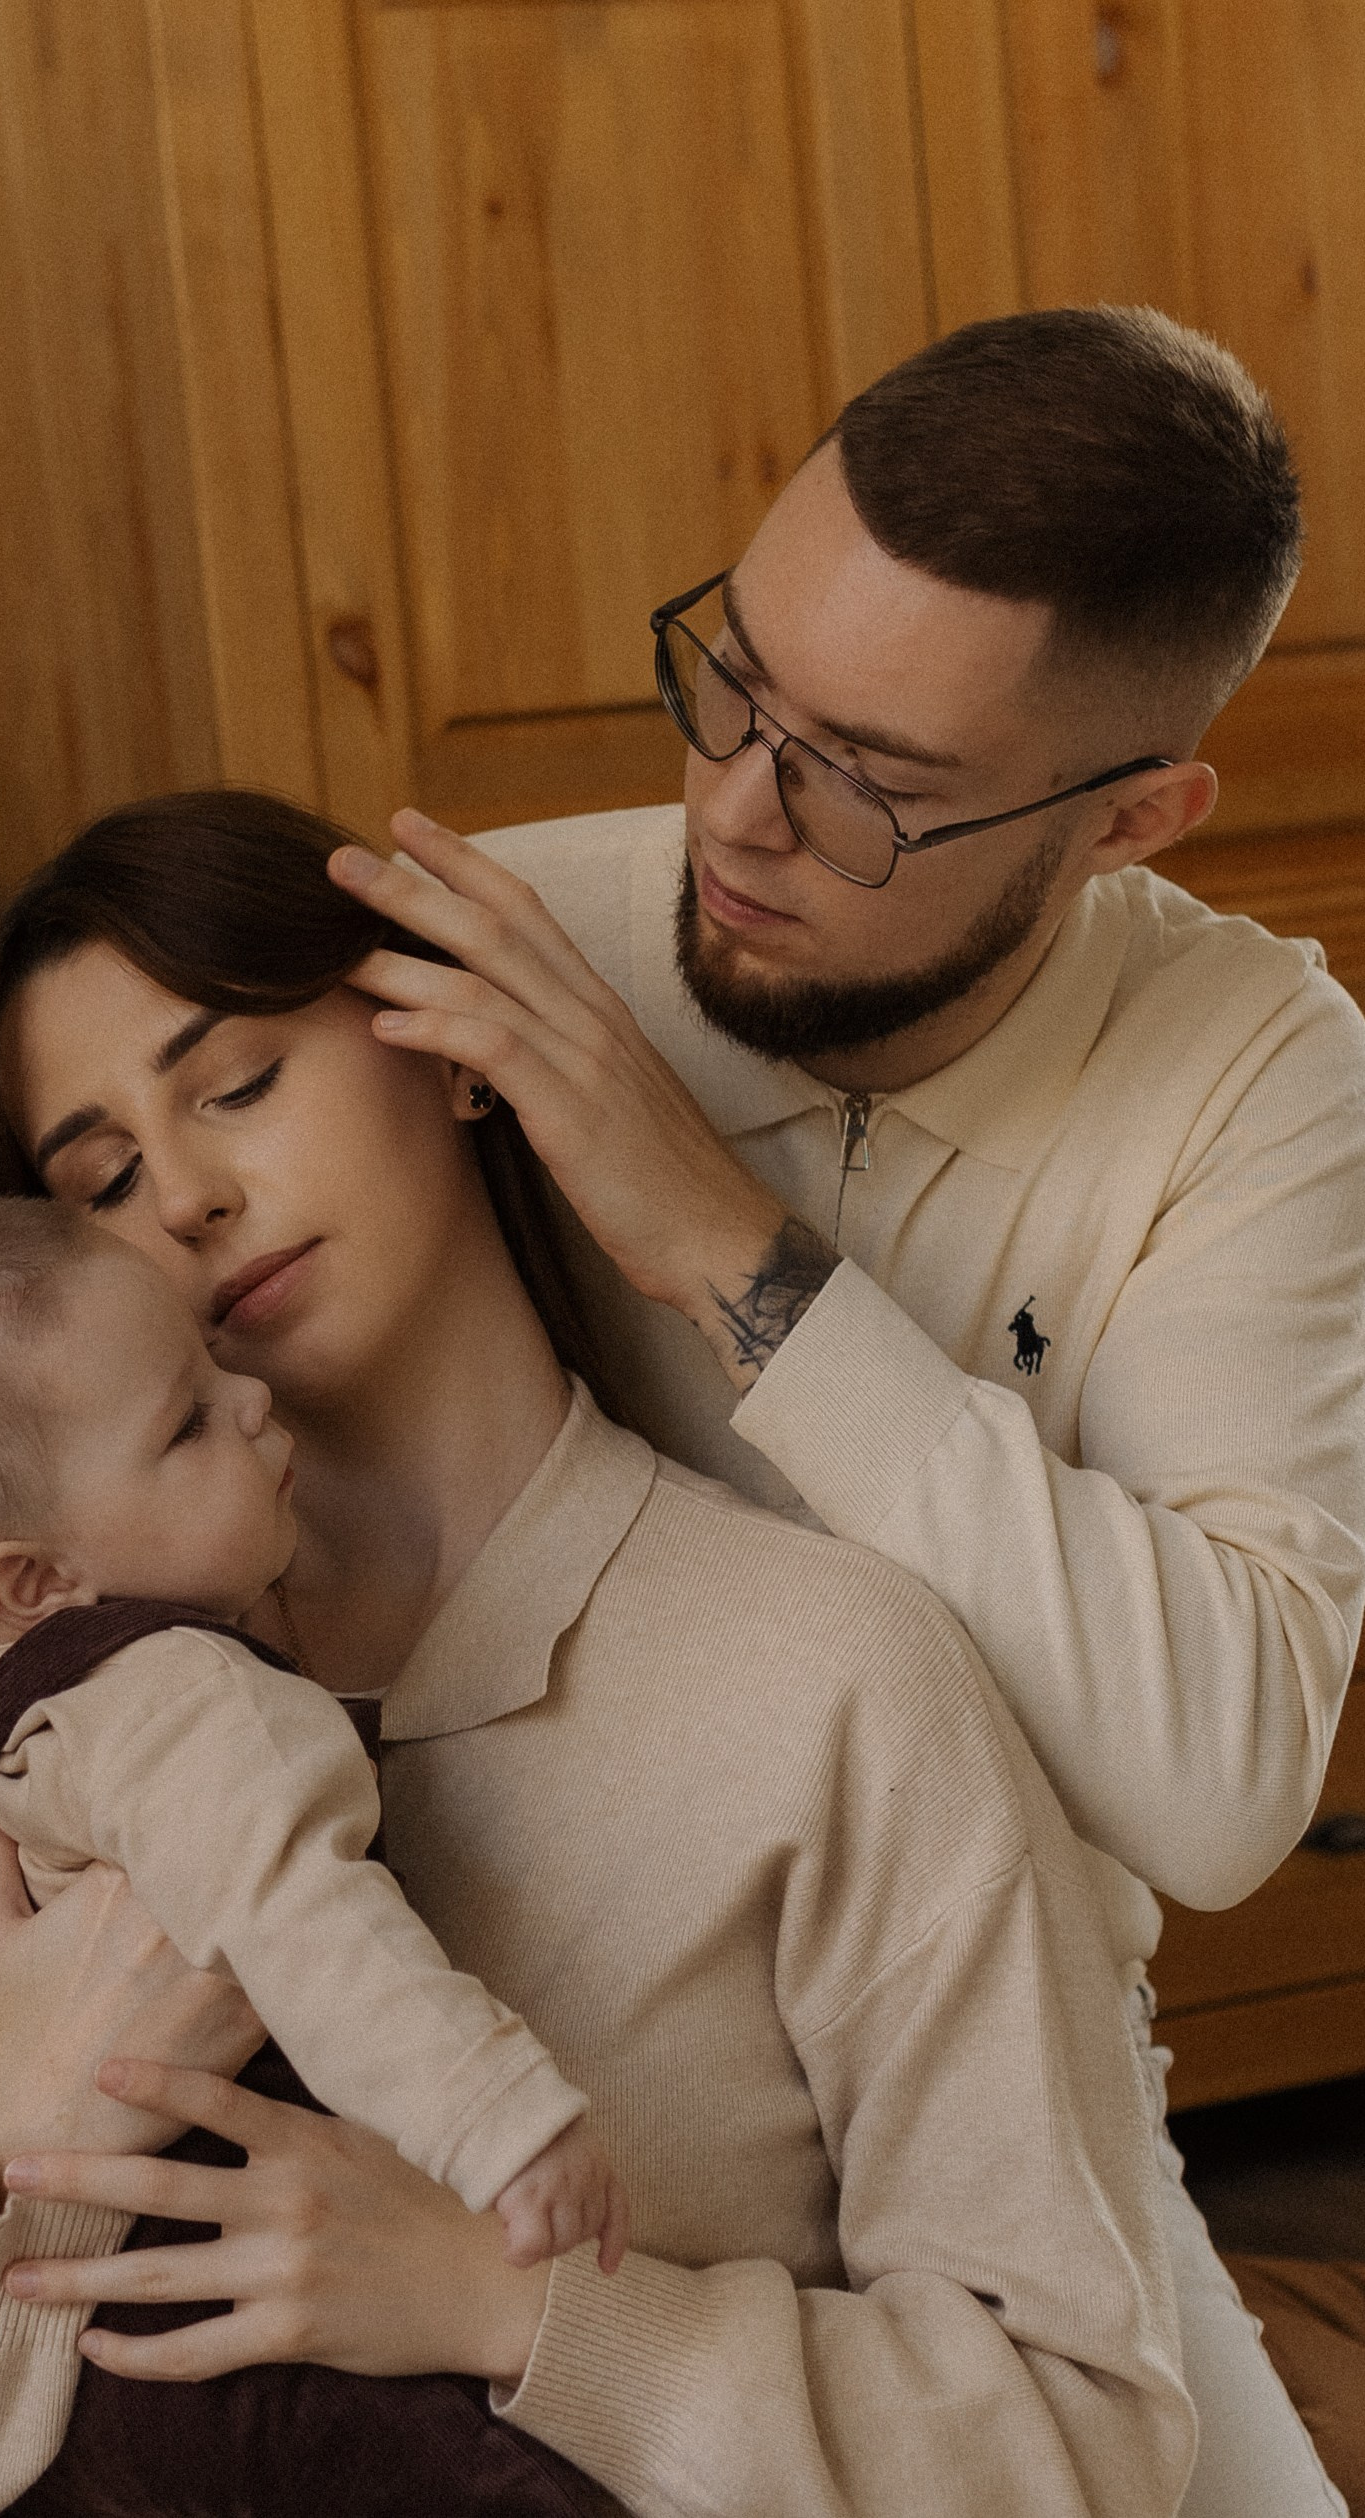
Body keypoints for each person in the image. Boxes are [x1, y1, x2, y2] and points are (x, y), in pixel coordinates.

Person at [0, 791, 1195, 2518]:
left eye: (237, 1082)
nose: (185, 1195)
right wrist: (20, 2136)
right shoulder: (9, 1703)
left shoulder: (829, 1680)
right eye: (98, 1179)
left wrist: (516, 2308)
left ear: (452, 1049)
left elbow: (1081, 2441)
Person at [316, 303, 1365, 2516]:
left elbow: (1210, 1789)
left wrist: (728, 1251)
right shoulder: (508, 942)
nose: (728, 806)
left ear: (1127, 817)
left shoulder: (1260, 1076)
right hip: (502, 2064)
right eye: (730, 680)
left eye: (867, 780)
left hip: (1002, 2096)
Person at [0, 1196, 623, 2267]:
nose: (250, 1397)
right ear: (34, 1581)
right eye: (186, 1424)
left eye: (211, 1367)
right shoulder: (183, 1696)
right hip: (225, 2275)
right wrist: (500, 2122)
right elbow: (304, 1921)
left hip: (38, 2284)